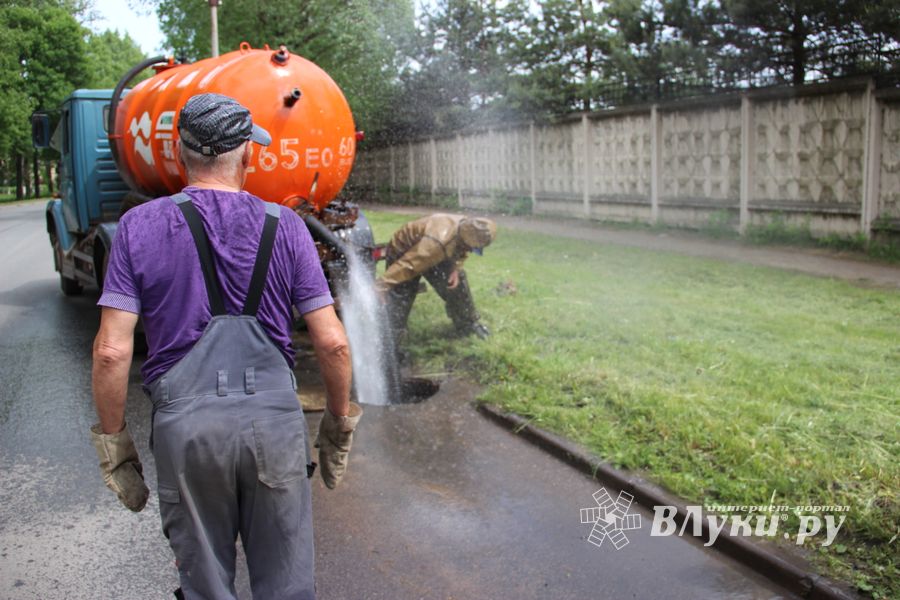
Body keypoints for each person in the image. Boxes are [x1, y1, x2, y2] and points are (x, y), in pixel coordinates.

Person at [89, 93, 361, 600]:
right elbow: (333, 344)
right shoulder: (289, 228)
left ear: (179, 152)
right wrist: (337, 427)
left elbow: (111, 350)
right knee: (286, 587)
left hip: (187, 435)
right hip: (276, 430)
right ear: (248, 154)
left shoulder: (137, 227)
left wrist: (115, 447)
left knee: (206, 586)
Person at [375, 213, 497, 351]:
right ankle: (389, 345)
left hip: (436, 250)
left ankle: (467, 324)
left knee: (458, 285)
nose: (470, 250)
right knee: (401, 299)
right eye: (471, 247)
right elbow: (409, 264)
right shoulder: (436, 243)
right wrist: (382, 285)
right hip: (405, 252)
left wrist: (455, 268)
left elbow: (463, 250)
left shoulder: (467, 227)